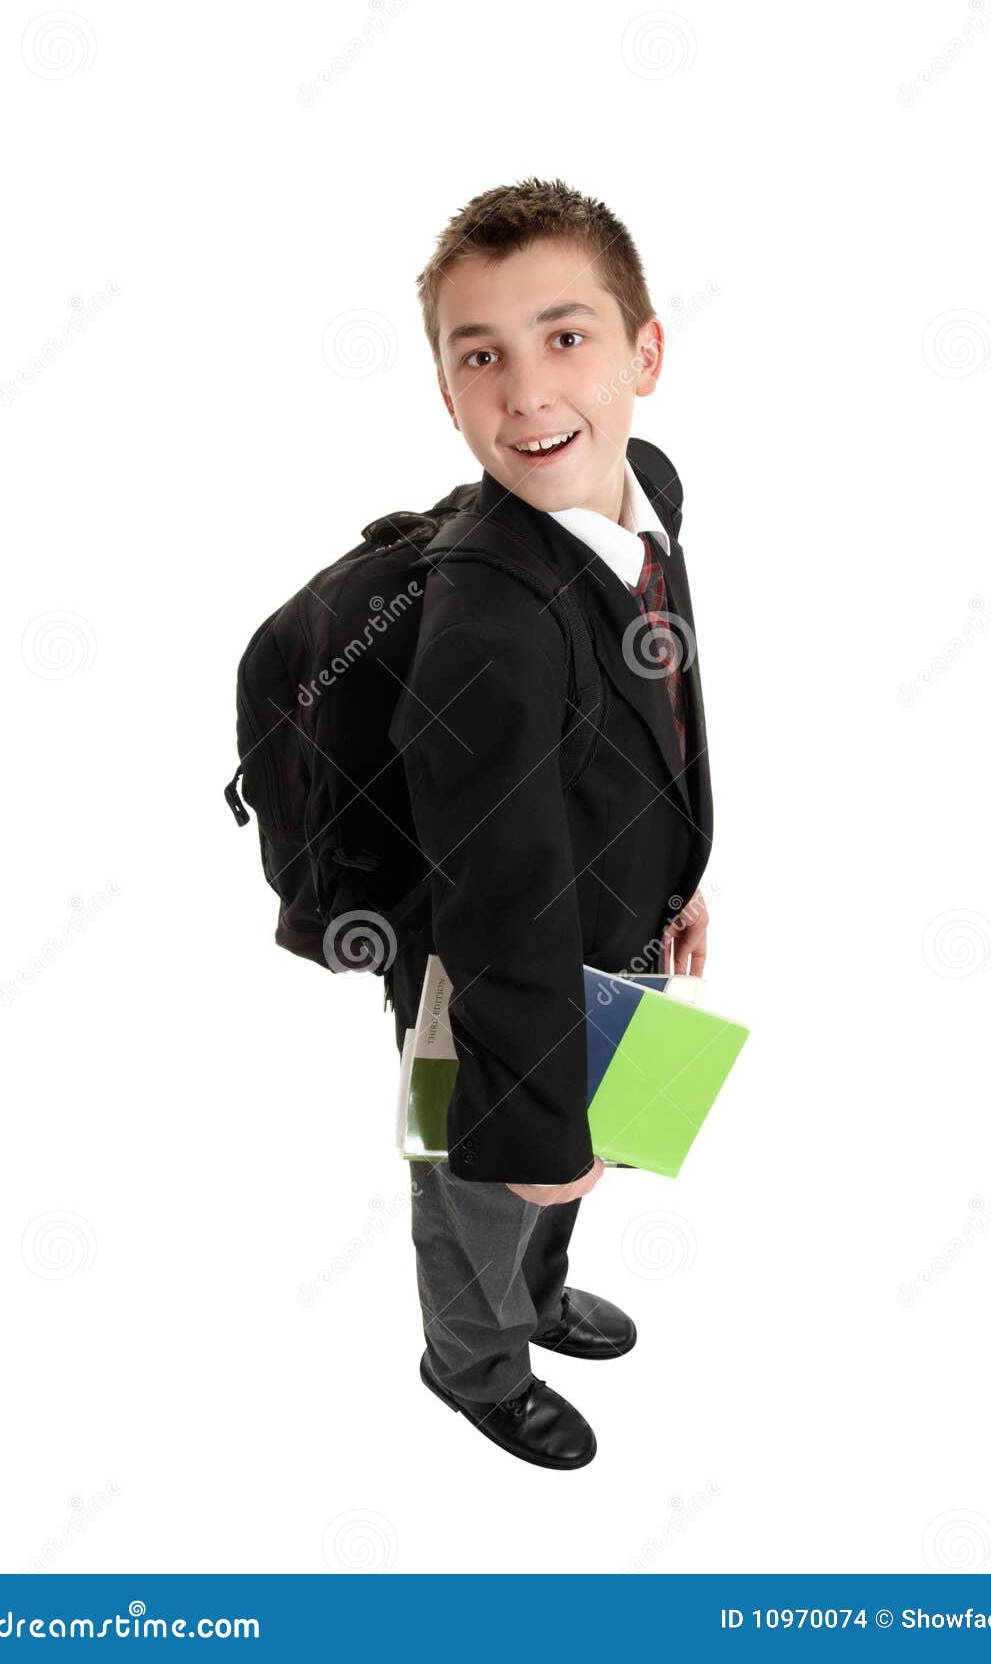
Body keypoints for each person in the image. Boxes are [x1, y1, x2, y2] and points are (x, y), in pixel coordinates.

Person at [386, 177, 713, 1470]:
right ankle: (472, 1358)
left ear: (646, 351)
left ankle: (539, 1280)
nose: (526, 392)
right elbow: (496, 900)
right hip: (492, 979)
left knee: (603, 1142)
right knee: (479, 1187)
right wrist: (526, 1122)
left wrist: (682, 869)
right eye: (482, 356)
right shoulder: (489, 631)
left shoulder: (650, 491)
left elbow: (668, 699)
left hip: (617, 917)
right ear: (448, 389)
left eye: (564, 336)